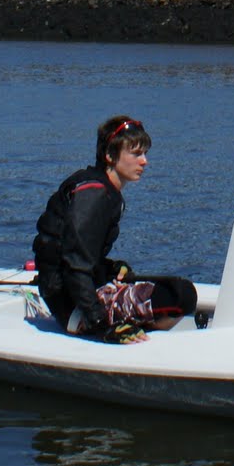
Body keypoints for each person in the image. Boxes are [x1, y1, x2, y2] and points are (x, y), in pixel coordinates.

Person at [32, 115, 197, 343]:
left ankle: (135, 333)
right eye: (136, 154)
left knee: (176, 289)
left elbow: (80, 254)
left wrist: (110, 266)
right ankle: (132, 340)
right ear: (110, 155)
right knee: (181, 295)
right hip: (70, 304)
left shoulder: (107, 192)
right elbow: (75, 265)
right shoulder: (93, 194)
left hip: (80, 290)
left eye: (145, 153)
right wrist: (101, 325)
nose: (145, 161)